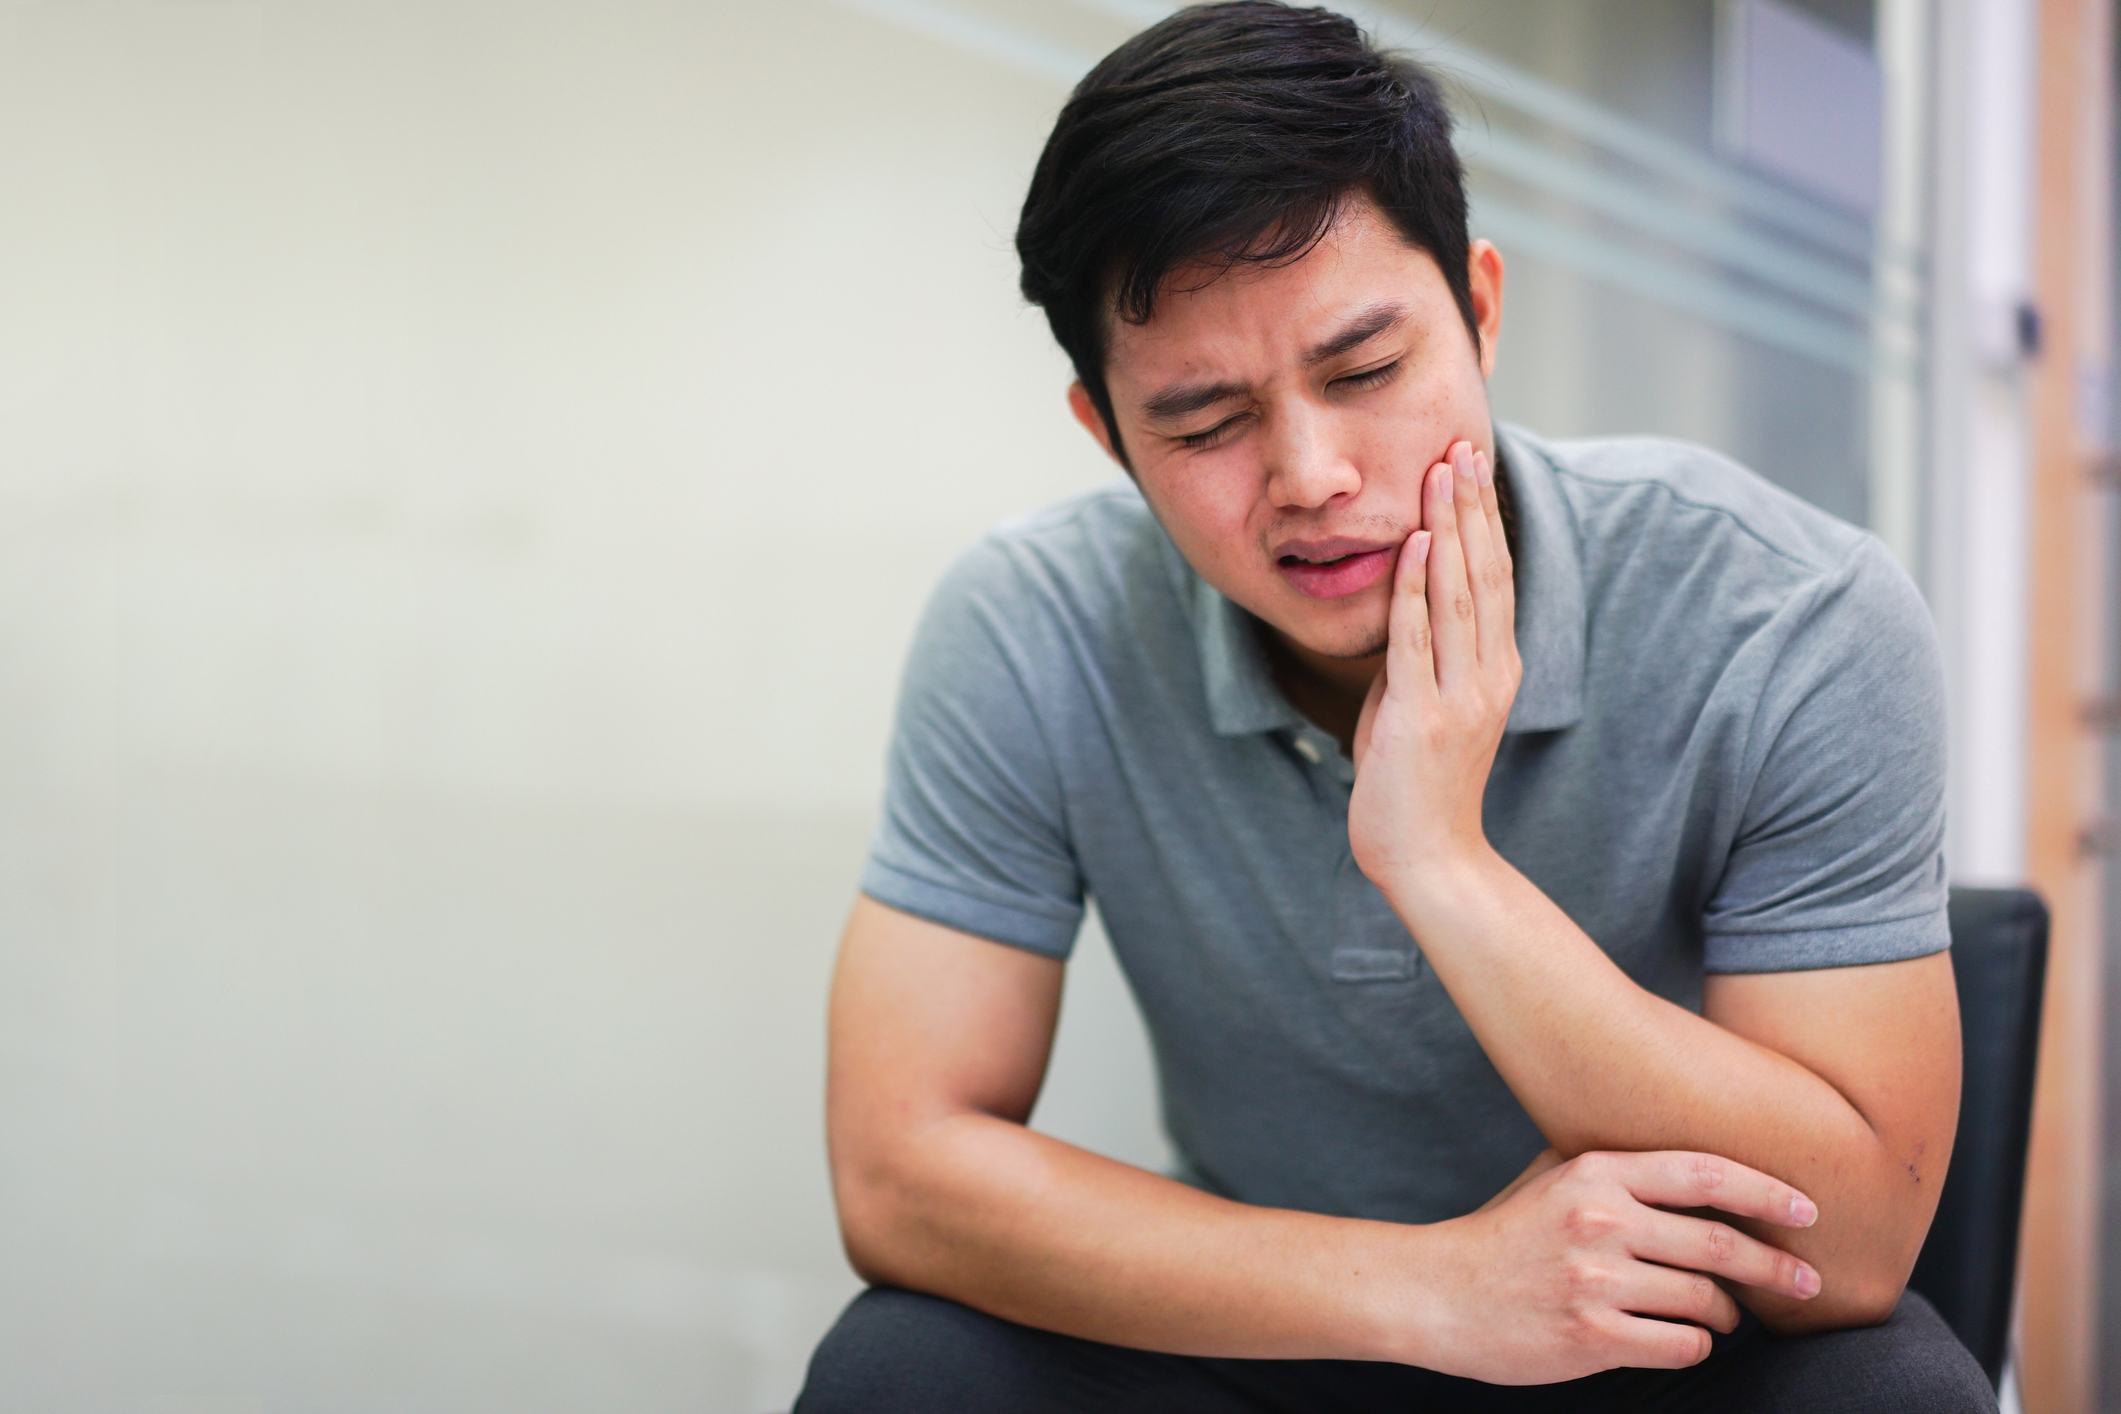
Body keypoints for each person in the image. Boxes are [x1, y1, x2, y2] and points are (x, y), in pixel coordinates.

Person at [794, 4, 1994, 1409]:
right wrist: (1429, 1289)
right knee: (900, 1366)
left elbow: (1849, 1240)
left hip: (1661, 1330)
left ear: (1480, 310)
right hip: (1279, 1323)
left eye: (1363, 371)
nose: (1308, 472)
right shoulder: (1026, 625)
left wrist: (1439, 861)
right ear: (1104, 434)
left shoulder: (1790, 613)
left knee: (1890, 1390)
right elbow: (899, 1173)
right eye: (1202, 421)